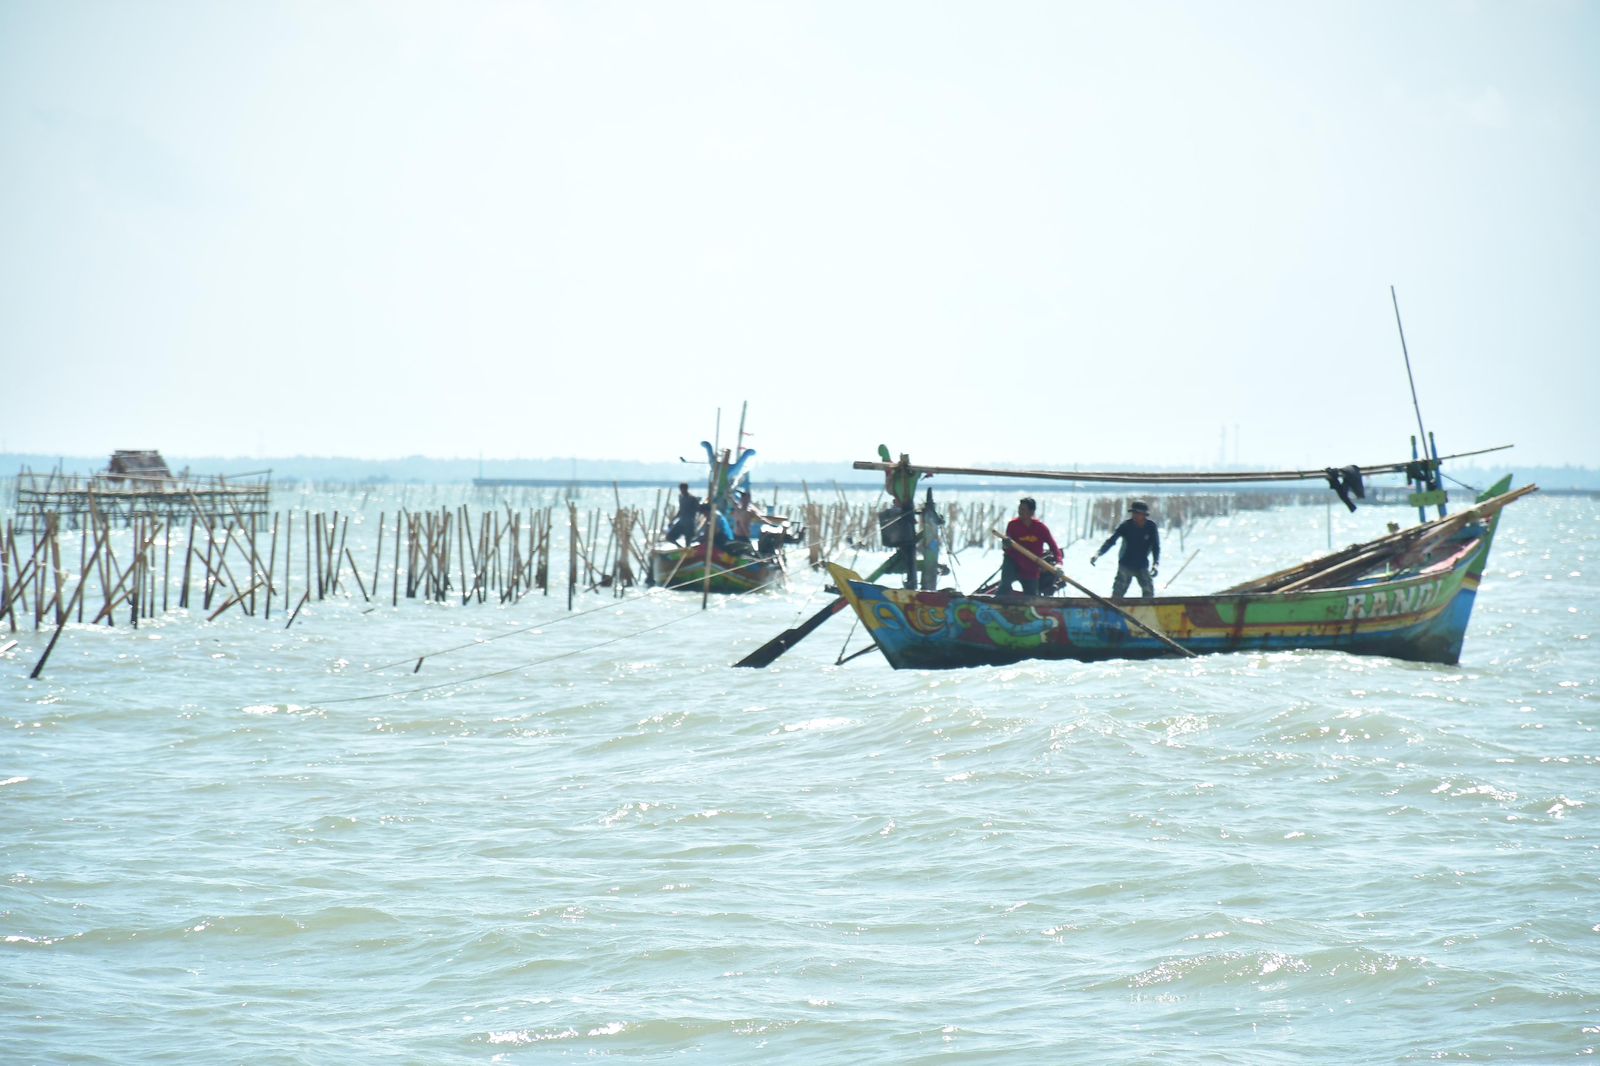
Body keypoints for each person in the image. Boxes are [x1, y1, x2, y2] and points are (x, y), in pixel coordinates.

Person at [1091, 501, 1160, 598]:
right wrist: (1098, 554)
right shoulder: (1126, 526)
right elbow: (1111, 541)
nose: (1135, 516)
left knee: (1148, 591)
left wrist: (1155, 564)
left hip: (1142, 564)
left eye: (1138, 513)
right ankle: (1114, 609)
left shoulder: (1151, 527)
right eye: (1133, 513)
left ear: (1144, 515)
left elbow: (1155, 547)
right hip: (1126, 564)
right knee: (1118, 594)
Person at [1000, 497, 1061, 596]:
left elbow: (1054, 547)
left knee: (1031, 596)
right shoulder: (1013, 525)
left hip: (1031, 566)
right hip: (1013, 563)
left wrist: (1059, 563)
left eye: (1023, 510)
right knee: (1004, 586)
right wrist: (1006, 545)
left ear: (1031, 512)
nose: (1020, 512)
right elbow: (1007, 546)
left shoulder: (1040, 528)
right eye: (1019, 509)